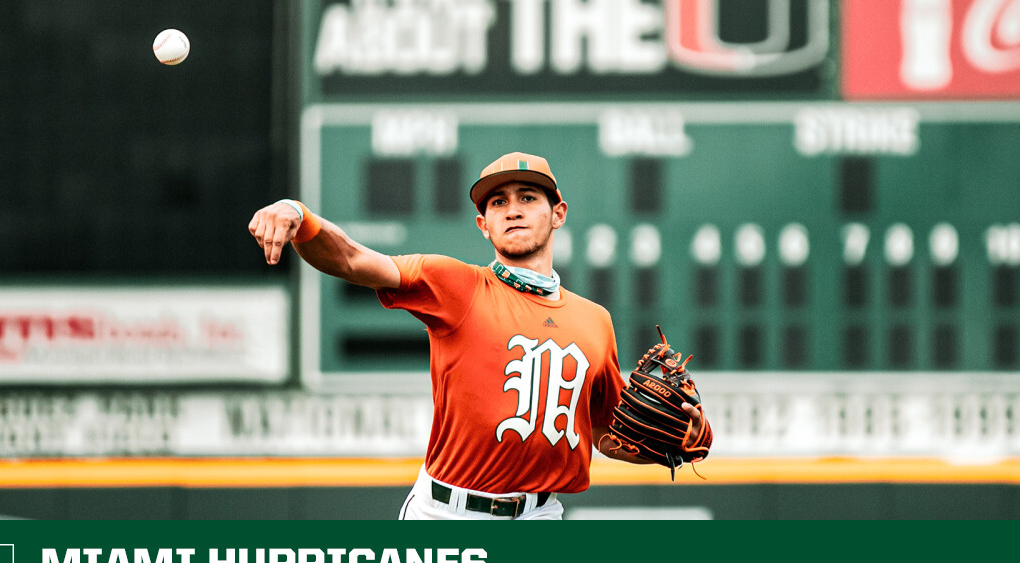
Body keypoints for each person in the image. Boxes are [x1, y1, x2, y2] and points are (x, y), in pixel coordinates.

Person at [248, 152, 703, 520]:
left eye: (528, 197)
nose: (513, 210)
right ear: (483, 224)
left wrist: (680, 446)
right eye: (498, 203)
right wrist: (298, 215)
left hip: (541, 518)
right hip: (448, 516)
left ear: (558, 213)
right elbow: (350, 260)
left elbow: (606, 433)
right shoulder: (456, 285)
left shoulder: (594, 321)